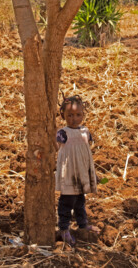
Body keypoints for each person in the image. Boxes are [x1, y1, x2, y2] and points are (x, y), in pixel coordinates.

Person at [56, 95, 98, 246]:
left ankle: (82, 225)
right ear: (63, 115)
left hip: (81, 173)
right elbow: (56, 150)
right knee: (67, 202)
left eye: (78, 115)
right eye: (70, 115)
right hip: (69, 174)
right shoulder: (63, 133)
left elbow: (87, 153)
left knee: (80, 200)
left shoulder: (85, 132)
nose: (75, 118)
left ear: (83, 114)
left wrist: (91, 173)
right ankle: (63, 228)